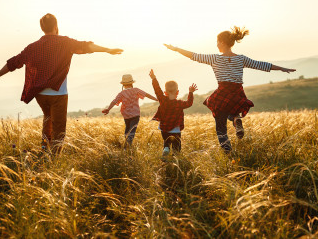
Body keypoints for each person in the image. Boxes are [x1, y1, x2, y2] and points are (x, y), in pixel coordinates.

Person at [0, 13, 123, 154]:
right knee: (59, 127)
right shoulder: (65, 43)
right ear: (56, 26)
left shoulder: (33, 47)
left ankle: (44, 150)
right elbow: (86, 46)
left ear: (42, 28)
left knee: (47, 119)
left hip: (40, 94)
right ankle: (54, 157)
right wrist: (107, 50)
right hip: (58, 94)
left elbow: (14, 63)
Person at [164, 26, 295, 153]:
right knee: (232, 111)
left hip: (223, 92)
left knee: (220, 127)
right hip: (237, 92)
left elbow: (193, 55)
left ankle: (227, 151)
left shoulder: (215, 58)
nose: (216, 45)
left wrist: (175, 49)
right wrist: (282, 68)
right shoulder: (241, 58)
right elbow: (261, 65)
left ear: (221, 42)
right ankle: (236, 119)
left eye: (217, 42)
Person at [149, 69, 197, 159]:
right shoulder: (180, 103)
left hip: (164, 128)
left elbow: (157, 89)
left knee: (166, 141)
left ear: (165, 92)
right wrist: (190, 92)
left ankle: (166, 148)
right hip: (175, 129)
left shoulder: (162, 100)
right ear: (177, 92)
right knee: (176, 147)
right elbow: (189, 103)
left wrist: (154, 78)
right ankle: (175, 158)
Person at [102, 74, 157, 148]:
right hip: (135, 115)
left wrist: (108, 109)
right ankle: (128, 146)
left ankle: (126, 146)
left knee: (127, 129)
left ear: (123, 85)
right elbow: (147, 95)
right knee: (132, 130)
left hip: (126, 115)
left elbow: (114, 101)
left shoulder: (121, 93)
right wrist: (156, 99)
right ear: (132, 83)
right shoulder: (136, 90)